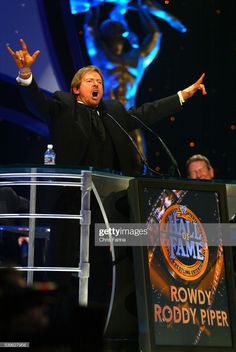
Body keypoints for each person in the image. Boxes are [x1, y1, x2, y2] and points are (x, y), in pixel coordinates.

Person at [7, 38, 206, 307]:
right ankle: (56, 320)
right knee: (65, 262)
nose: (97, 84)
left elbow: (147, 113)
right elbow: (36, 103)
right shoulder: (63, 105)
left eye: (99, 81)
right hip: (70, 205)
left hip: (107, 206)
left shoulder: (112, 111)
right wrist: (25, 74)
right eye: (90, 81)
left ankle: (100, 321)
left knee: (102, 266)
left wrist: (182, 96)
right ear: (77, 89)